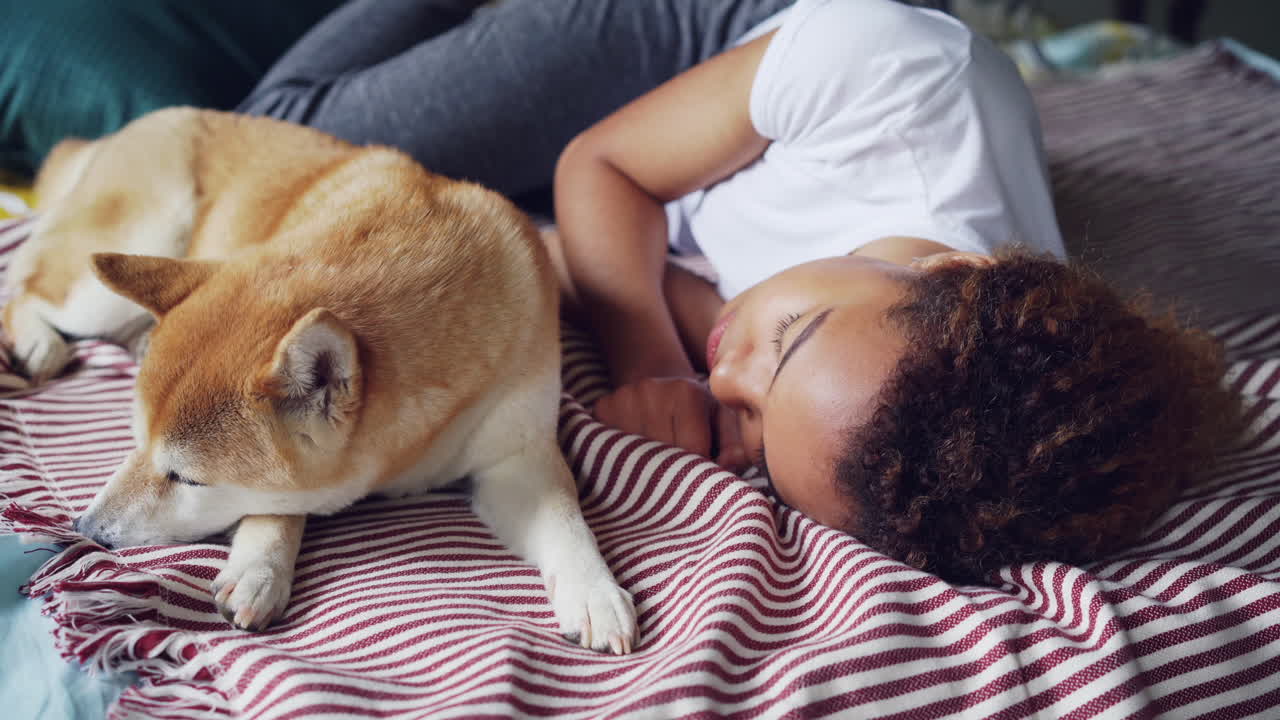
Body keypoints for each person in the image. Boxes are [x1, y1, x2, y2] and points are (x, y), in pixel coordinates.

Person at [241, 0, 1239, 583]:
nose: (729, 384)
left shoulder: (921, 400)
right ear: (945, 273)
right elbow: (602, 170)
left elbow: (618, 265)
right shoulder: (891, 76)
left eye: (753, 435)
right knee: (278, 128)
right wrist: (648, 362)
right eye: (788, 339)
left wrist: (716, 376)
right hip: (708, 34)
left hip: (697, 174)